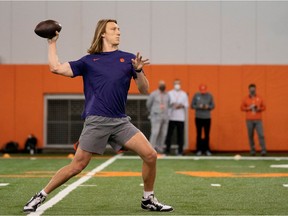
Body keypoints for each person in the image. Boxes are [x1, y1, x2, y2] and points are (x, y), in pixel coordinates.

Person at [23, 19, 173, 213]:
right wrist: (52, 43)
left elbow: (144, 90)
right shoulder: (89, 61)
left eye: (119, 28)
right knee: (77, 166)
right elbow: (55, 68)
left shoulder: (129, 59)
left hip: (120, 122)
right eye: (114, 29)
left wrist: (138, 71)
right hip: (96, 121)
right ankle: (40, 196)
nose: (118, 32)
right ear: (103, 33)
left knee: (151, 155)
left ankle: (148, 199)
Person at [241, 83, 267, 156]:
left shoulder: (260, 98)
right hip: (249, 120)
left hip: (258, 119)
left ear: (255, 89)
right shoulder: (245, 98)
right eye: (251, 89)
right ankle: (252, 150)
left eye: (254, 89)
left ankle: (263, 150)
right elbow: (241, 108)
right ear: (249, 90)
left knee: (261, 135)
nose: (252, 91)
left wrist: (259, 108)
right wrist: (248, 108)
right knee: (250, 135)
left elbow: (264, 107)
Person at [165, 79, 189, 156]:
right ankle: (167, 150)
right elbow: (167, 103)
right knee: (169, 134)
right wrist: (173, 104)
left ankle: (180, 151)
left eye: (178, 84)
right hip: (171, 117)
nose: (177, 85)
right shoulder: (169, 93)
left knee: (180, 135)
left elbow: (186, 105)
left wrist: (180, 105)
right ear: (173, 84)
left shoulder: (184, 94)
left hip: (180, 118)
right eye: (175, 84)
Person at [191, 84, 215, 156]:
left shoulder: (210, 96)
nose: (203, 92)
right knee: (199, 134)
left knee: (207, 134)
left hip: (207, 117)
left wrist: (208, 107)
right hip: (198, 117)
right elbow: (192, 105)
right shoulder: (196, 95)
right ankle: (199, 149)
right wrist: (199, 106)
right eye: (202, 90)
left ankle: (207, 149)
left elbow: (213, 105)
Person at [146, 80, 169, 153]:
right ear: (159, 85)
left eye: (163, 84)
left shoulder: (167, 94)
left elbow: (169, 104)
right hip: (156, 116)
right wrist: (153, 112)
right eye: (161, 84)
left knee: (163, 133)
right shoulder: (154, 94)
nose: (163, 86)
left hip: (165, 116)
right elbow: (148, 104)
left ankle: (160, 148)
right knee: (155, 132)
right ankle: (151, 148)